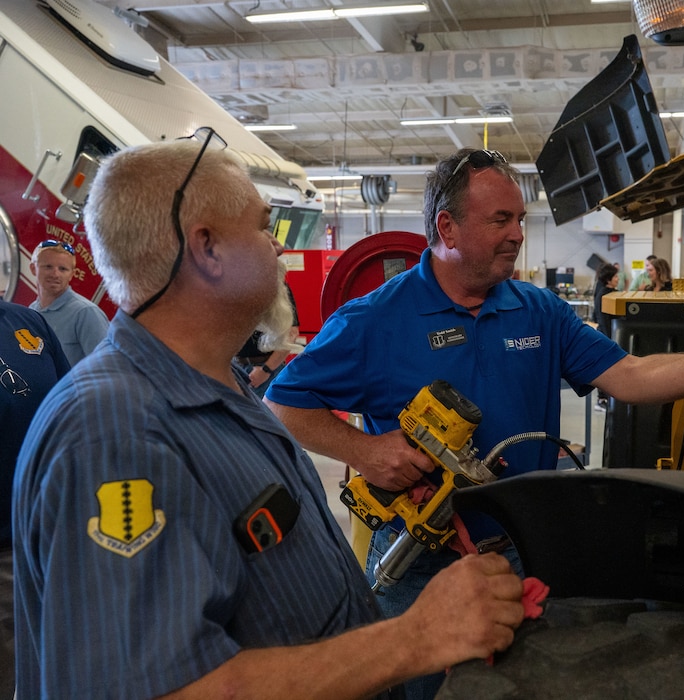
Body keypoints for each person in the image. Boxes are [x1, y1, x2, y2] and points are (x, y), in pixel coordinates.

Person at [263, 147, 684, 699]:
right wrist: (364, 452)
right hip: (418, 558)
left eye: (520, 220)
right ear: (448, 228)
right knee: (427, 689)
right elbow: (284, 401)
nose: (517, 234)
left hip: (521, 547)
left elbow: (631, 374)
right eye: (500, 220)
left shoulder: (539, 311)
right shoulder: (374, 320)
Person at [13, 137, 524, 699]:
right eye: (263, 229)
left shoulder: (219, 386)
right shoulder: (114, 432)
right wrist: (416, 638)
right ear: (206, 248)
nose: (279, 251)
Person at [0, 300, 69, 698]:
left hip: (48, 529)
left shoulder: (26, 321)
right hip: (3, 541)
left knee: (48, 660)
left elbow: (70, 397)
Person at [28, 239, 109, 365]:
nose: (55, 274)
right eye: (48, 267)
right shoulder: (31, 312)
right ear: (33, 268)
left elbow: (105, 367)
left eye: (63, 269)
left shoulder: (85, 313)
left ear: (72, 274)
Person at [235, 281, 299, 397]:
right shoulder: (227, 286)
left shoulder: (276, 285)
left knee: (269, 413)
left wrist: (266, 370)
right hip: (233, 367)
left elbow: (290, 334)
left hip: (266, 370)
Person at [591, 262, 620, 411]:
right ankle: (601, 400)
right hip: (606, 335)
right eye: (615, 276)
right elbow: (602, 319)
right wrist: (609, 339)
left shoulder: (609, 291)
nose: (618, 278)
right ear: (608, 278)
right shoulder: (603, 294)